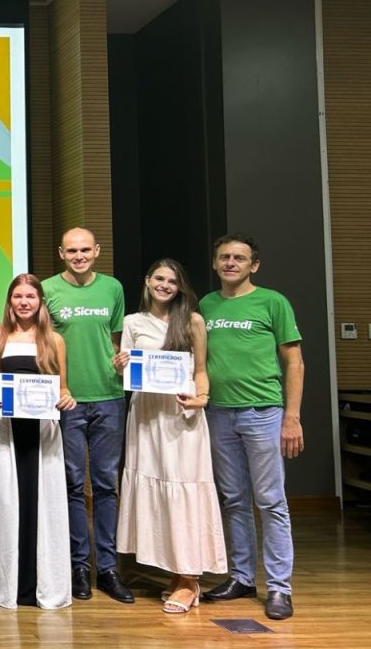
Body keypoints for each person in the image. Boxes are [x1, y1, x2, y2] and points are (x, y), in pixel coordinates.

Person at [199, 234, 304, 621]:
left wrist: (290, 417)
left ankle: (279, 587)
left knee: (271, 501)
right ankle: (241, 576)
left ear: (253, 265)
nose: (230, 263)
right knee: (234, 500)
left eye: (239, 258)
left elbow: (295, 362)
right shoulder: (206, 305)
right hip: (219, 414)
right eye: (224, 257)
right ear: (215, 263)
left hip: (263, 413)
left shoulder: (273, 302)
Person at [114, 259, 227, 614]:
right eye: (159, 279)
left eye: (172, 281)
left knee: (184, 492)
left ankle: (190, 577)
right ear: (147, 282)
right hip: (146, 416)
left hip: (182, 416)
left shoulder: (192, 320)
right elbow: (127, 375)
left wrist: (201, 400)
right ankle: (176, 577)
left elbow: (200, 371)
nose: (164, 285)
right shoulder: (132, 322)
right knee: (157, 494)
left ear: (180, 287)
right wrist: (120, 366)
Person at [43, 227, 133, 603]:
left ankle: (108, 568)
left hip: (110, 397)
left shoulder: (113, 288)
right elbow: (42, 344)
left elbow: (115, 341)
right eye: (71, 250)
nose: (78, 256)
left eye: (85, 250)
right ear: (61, 253)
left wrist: (123, 359)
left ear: (96, 251)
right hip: (67, 402)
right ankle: (79, 565)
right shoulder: (47, 290)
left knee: (107, 485)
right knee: (72, 485)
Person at [0, 274, 75, 609]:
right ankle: (8, 585)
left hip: (43, 431)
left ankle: (41, 582)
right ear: (9, 301)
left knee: (42, 504)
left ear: (40, 301)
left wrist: (66, 398)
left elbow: (62, 387)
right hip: (6, 429)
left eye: (30, 296)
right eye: (18, 296)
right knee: (8, 502)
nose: (24, 302)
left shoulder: (55, 340)